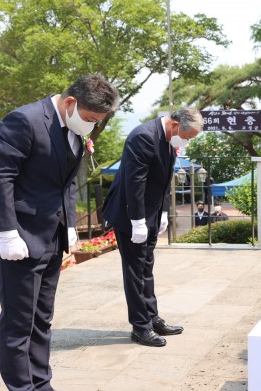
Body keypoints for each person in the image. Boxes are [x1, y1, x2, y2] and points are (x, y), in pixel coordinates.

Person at [0, 74, 119, 391]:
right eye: (89, 119)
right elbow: (0, 179)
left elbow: (66, 182)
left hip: (51, 237)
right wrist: (7, 232)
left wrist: (69, 225)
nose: (92, 127)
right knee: (19, 323)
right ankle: (21, 387)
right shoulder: (25, 120)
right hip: (18, 237)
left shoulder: (73, 127)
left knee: (42, 318)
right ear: (71, 102)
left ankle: (41, 383)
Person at [102, 107, 203, 347]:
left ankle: (151, 316)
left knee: (146, 267)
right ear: (176, 124)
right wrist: (137, 221)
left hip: (152, 212)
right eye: (187, 137)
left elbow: (163, 180)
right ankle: (140, 326)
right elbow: (135, 181)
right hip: (131, 214)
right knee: (135, 270)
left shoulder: (167, 138)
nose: (186, 142)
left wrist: (165, 212)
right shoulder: (143, 137)